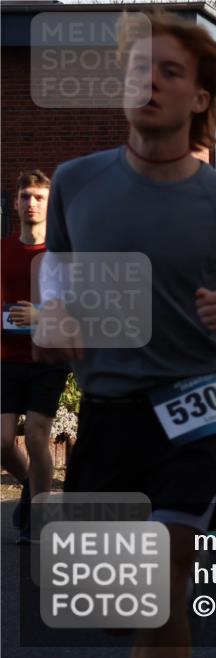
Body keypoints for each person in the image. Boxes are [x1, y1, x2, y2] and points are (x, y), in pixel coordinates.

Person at [36, 10, 216, 658]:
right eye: (136, 69)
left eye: (169, 71)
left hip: (196, 407)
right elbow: (56, 273)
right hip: (107, 412)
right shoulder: (75, 182)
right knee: (115, 606)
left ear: (201, 97)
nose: (147, 82)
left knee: (159, 577)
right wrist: (56, 312)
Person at [1, 169, 70, 545]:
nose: (31, 203)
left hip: (49, 356)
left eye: (39, 197)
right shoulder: (3, 250)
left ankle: (40, 521)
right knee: (2, 441)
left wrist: (41, 315)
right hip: (7, 356)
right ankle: (31, 487)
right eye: (25, 196)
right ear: (15, 202)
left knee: (38, 436)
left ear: (50, 204)